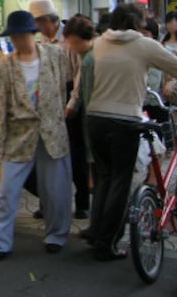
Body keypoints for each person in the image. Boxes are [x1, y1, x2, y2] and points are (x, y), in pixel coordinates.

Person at [87, 3, 177, 261]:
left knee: (104, 178)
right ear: (137, 24)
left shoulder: (100, 42)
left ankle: (96, 234)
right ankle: (106, 244)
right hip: (124, 119)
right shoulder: (144, 45)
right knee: (120, 182)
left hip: (95, 118)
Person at [0, 10, 72, 260]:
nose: (17, 40)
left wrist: (55, 116)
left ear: (31, 34)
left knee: (56, 190)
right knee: (7, 190)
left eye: (21, 35)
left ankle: (56, 235)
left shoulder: (56, 54)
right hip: (18, 133)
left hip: (52, 131)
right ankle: (1, 242)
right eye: (13, 37)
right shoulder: (4, 65)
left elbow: (61, 89)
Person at [29, 0, 86, 219]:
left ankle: (82, 203)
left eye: (38, 23)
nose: (37, 29)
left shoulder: (69, 37)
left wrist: (73, 102)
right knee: (48, 152)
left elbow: (80, 73)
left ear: (46, 20)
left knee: (75, 151)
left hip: (70, 94)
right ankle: (47, 202)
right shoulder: (43, 40)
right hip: (49, 96)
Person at [63, 15, 97, 243]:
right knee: (83, 157)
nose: (71, 47)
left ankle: (93, 214)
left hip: (93, 112)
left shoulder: (92, 58)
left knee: (87, 159)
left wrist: (72, 104)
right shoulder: (88, 55)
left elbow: (79, 83)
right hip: (83, 108)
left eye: (74, 43)